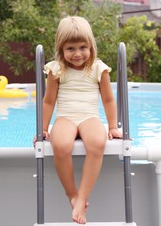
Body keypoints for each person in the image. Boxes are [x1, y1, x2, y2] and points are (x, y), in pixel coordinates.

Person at [41, 16, 122, 224]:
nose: (77, 54)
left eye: (83, 47)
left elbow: (108, 99)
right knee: (61, 144)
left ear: (91, 46)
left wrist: (112, 126)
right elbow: (49, 101)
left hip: (89, 117)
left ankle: (83, 197)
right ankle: (72, 194)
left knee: (97, 142)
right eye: (70, 48)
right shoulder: (56, 69)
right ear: (61, 48)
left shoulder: (98, 68)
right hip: (66, 117)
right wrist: (42, 128)